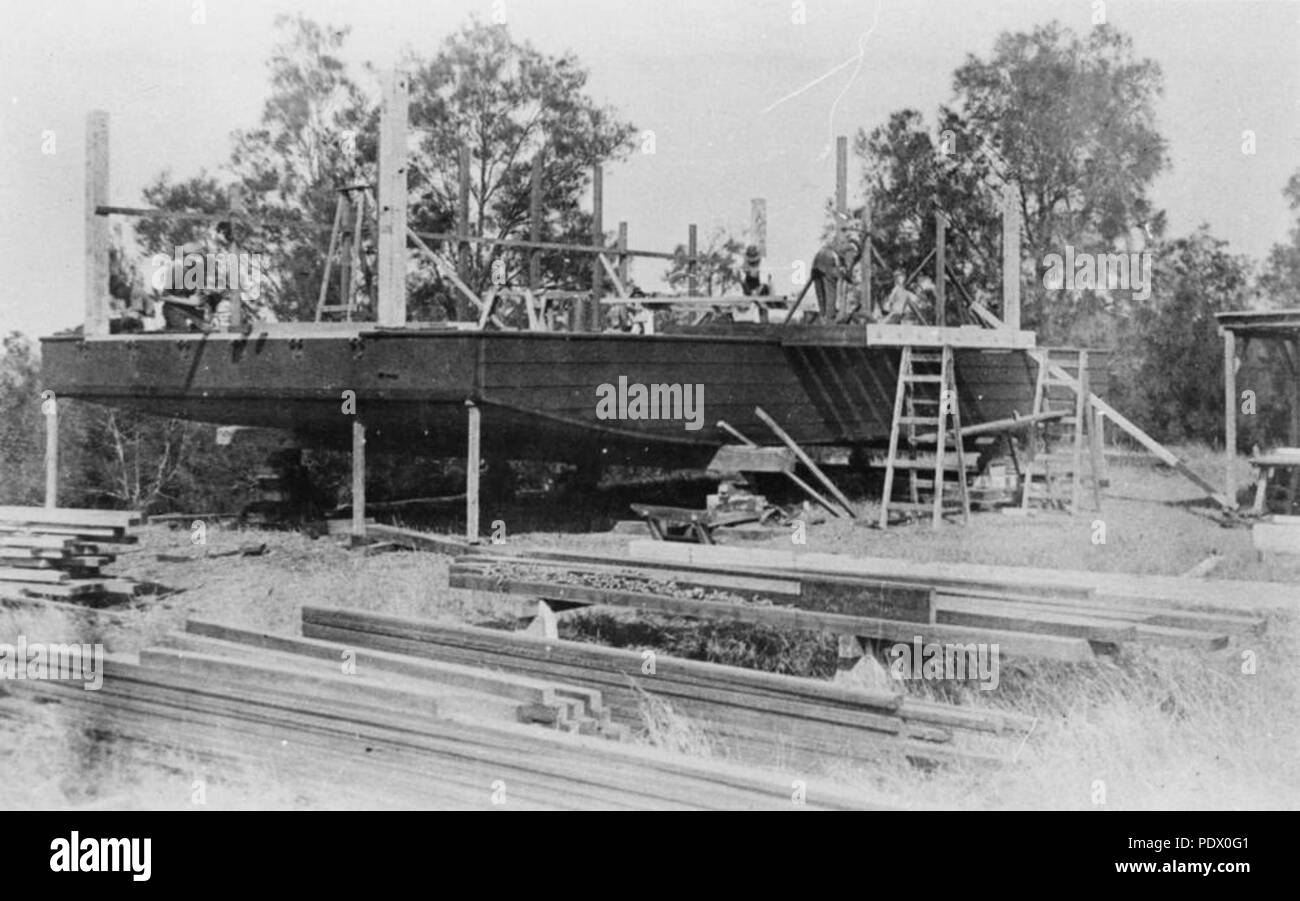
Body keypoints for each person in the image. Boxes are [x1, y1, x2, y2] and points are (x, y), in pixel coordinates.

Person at [810, 232, 863, 322]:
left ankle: (823, 316)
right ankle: (829, 319)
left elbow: (844, 271)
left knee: (820, 293)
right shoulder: (851, 249)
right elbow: (846, 269)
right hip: (828, 259)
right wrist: (849, 278)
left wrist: (846, 276)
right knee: (831, 291)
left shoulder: (837, 244)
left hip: (817, 259)